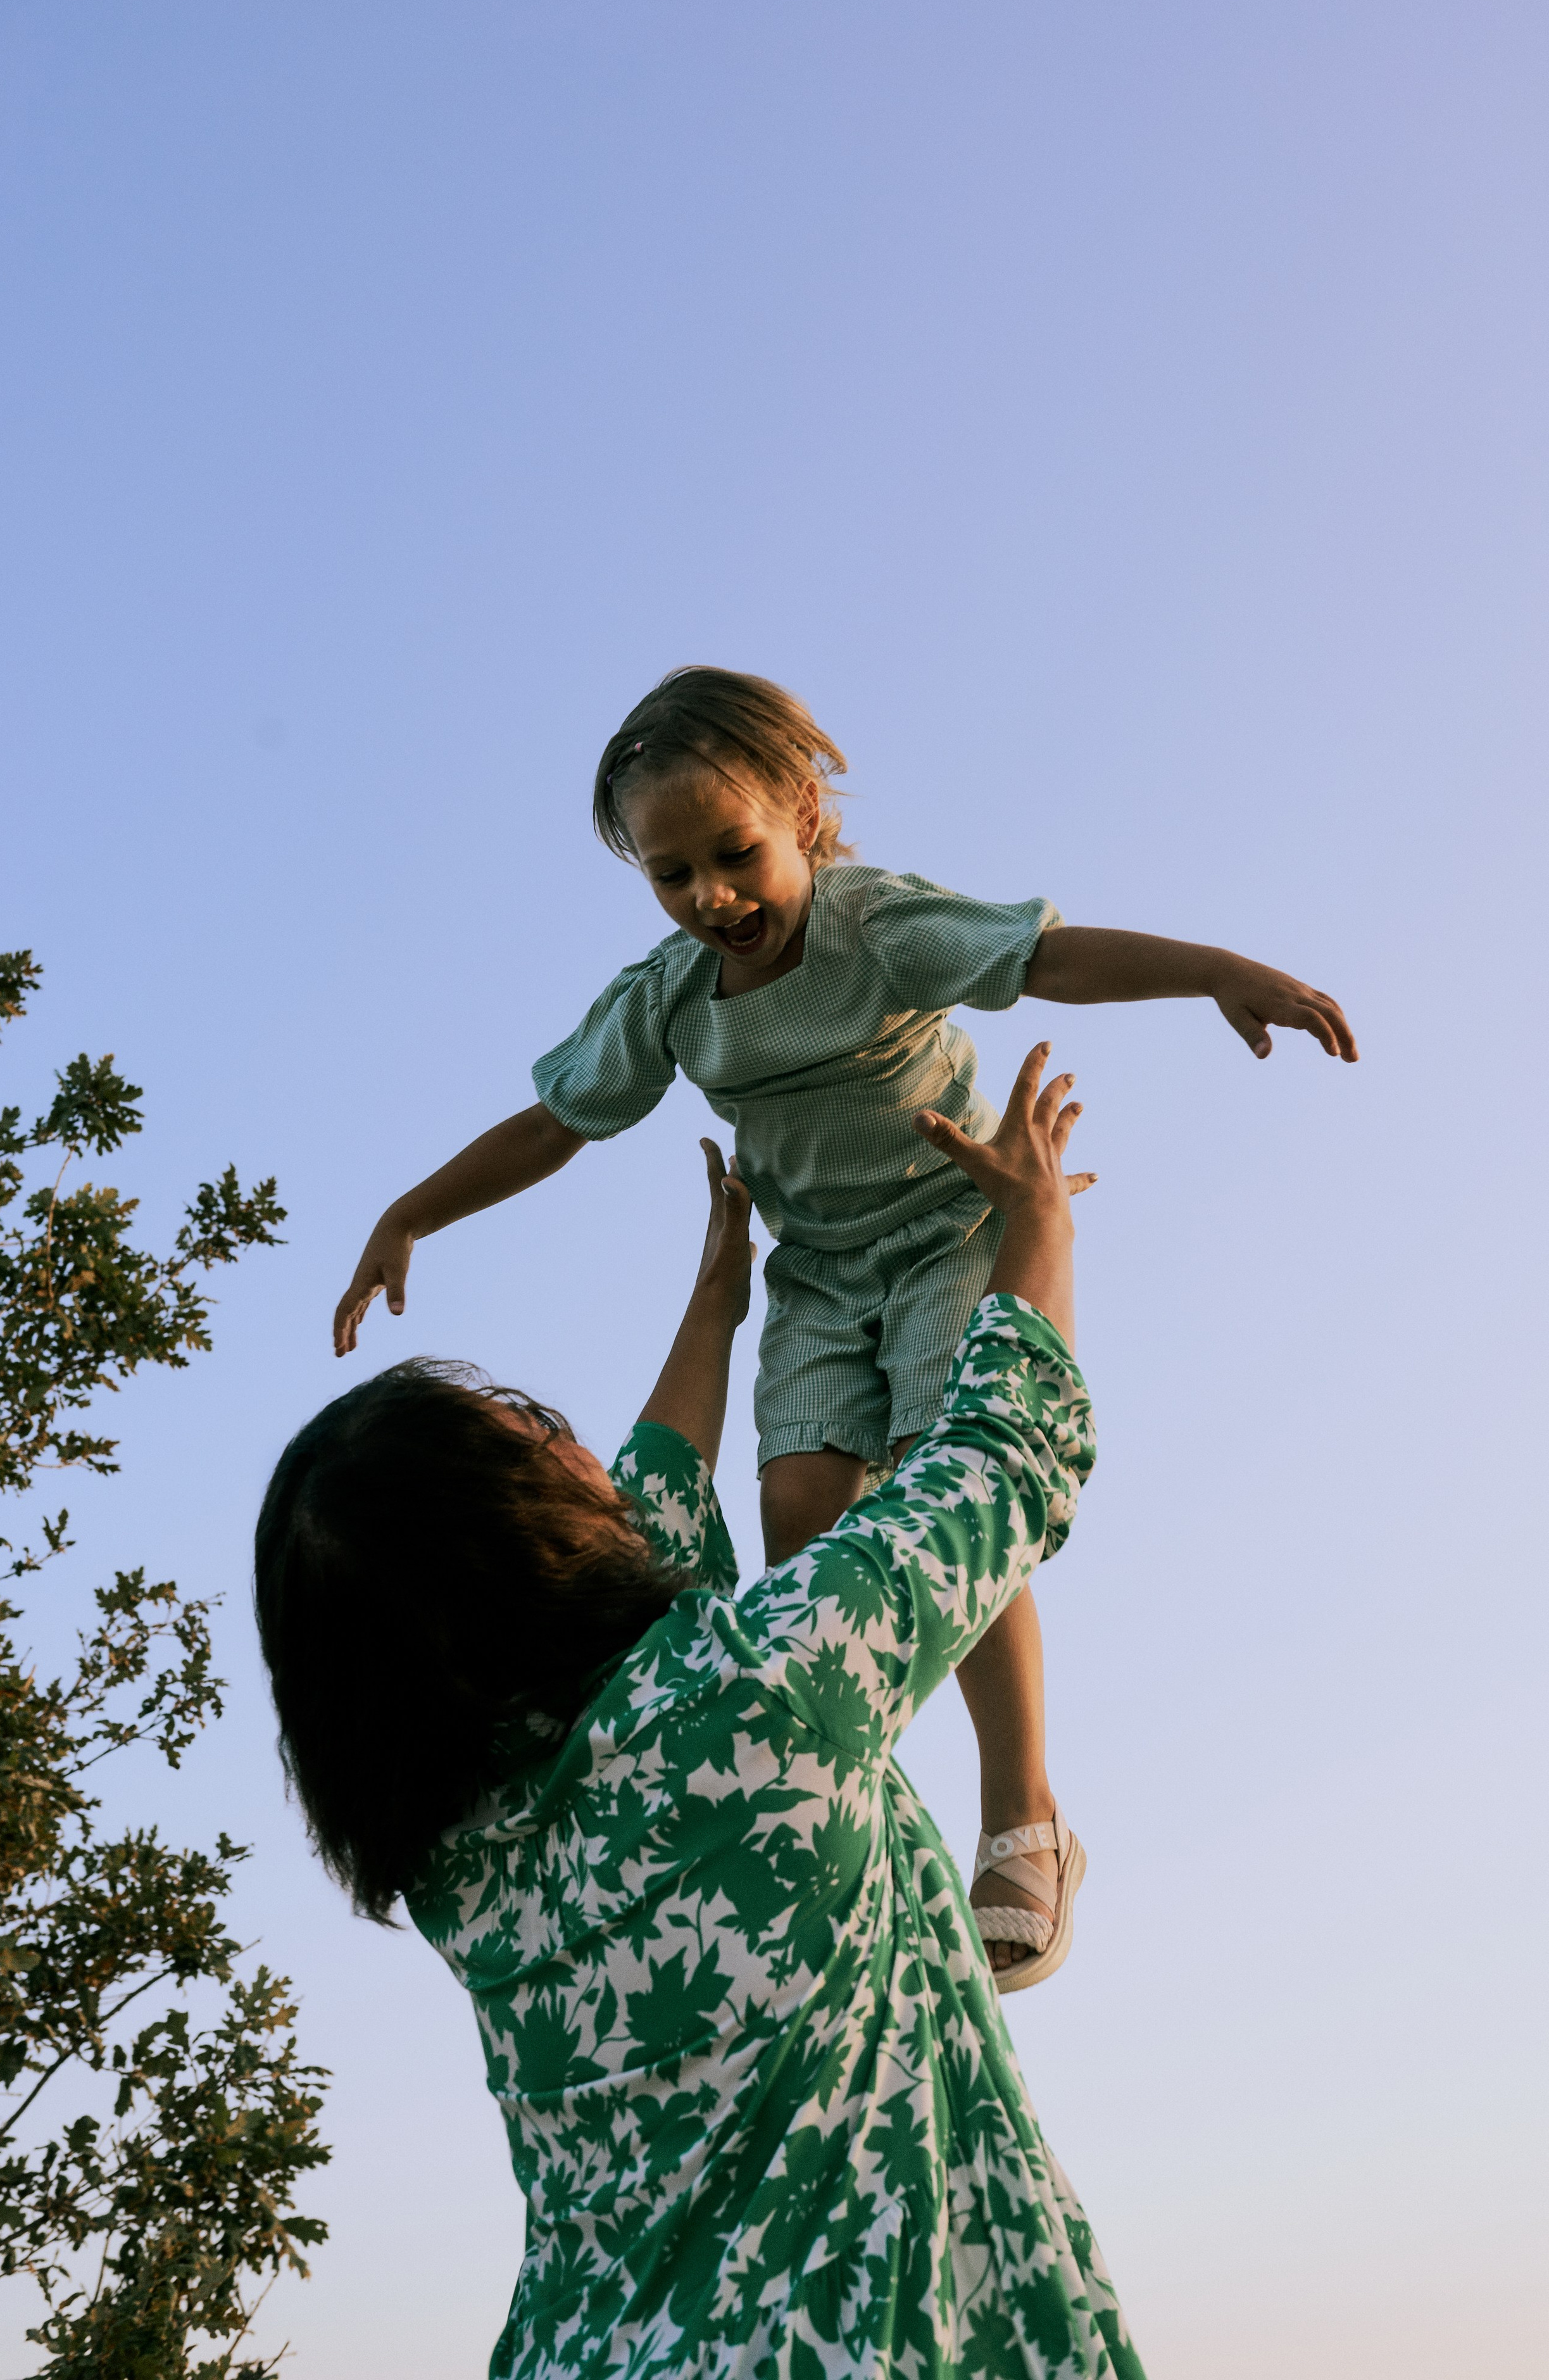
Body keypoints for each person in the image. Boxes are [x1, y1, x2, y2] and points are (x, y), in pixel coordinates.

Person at [332, 666, 1357, 1987]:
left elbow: (1044, 956)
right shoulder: (670, 999)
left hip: (949, 1227)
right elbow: (556, 1123)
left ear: (802, 814)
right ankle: (847, 1813)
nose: (711, 896)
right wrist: (414, 1210)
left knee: (947, 1495)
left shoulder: (881, 928)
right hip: (816, 1269)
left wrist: (1216, 970)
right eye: (670, 874)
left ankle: (1023, 1815)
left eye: (733, 853)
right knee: (800, 1515)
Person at [261, 1045, 1146, 2378]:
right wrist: (1033, 1223)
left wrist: (719, 1302)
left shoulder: (459, 1859)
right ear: (527, 1534)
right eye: (526, 1428)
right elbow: (993, 1460)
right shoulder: (757, 1690)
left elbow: (646, 1509)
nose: (567, 1439)